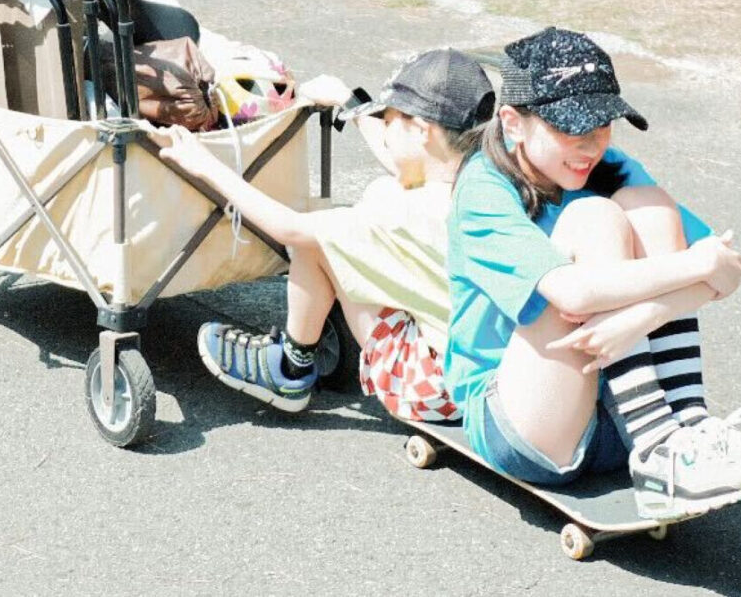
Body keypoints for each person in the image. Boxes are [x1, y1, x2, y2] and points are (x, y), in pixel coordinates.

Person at [444, 27, 741, 522]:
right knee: (596, 218)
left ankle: (684, 430)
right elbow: (574, 295)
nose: (591, 147)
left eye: (602, 126)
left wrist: (636, 320)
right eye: (571, 128)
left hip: (619, 414)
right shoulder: (484, 187)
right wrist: (695, 269)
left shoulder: (609, 165)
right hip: (526, 421)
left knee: (649, 207)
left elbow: (726, 272)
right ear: (513, 121)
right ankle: (662, 450)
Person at [154, 51, 492, 421]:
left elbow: (290, 230)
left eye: (391, 120)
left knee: (317, 239)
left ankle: (290, 368)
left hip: (434, 389)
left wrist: (206, 166)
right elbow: (406, 159)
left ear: (422, 130)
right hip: (491, 379)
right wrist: (349, 101)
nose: (386, 130)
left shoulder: (397, 210)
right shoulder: (487, 180)